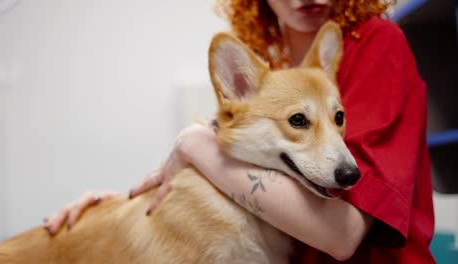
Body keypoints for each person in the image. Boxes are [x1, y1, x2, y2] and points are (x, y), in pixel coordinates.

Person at [44, 0, 435, 262]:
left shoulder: (376, 45)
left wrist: (196, 143)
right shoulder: (271, 63)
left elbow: (342, 235)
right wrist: (111, 215)